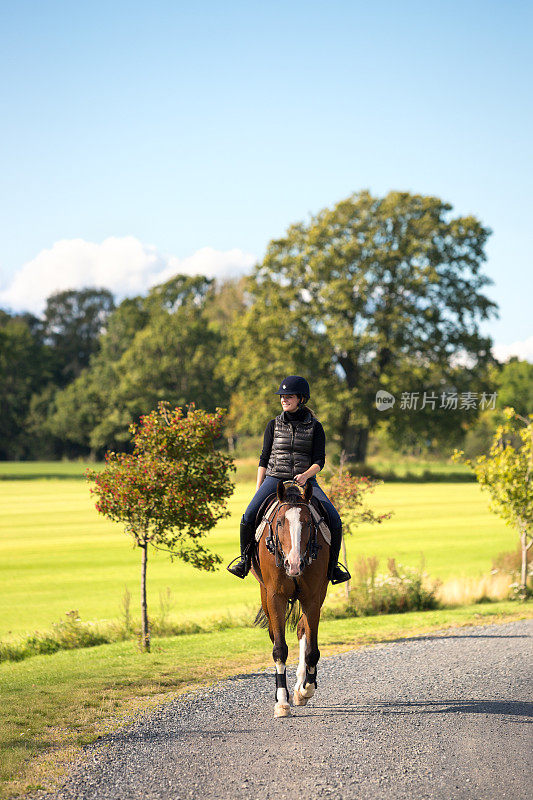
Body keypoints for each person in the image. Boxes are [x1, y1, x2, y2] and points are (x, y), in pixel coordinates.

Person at [227, 375, 351, 584]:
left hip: (305, 480)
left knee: (335, 520)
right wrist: (259, 487)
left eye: (289, 396)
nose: (284, 399)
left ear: (301, 399)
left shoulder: (315, 427)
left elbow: (319, 461)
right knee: (248, 516)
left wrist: (305, 475)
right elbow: (264, 458)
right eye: (282, 396)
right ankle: (244, 561)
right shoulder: (273, 425)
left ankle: (333, 569)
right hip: (275, 477)